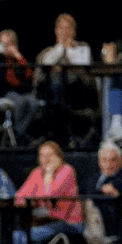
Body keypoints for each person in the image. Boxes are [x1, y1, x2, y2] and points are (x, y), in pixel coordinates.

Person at [12, 141, 83, 244]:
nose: (45, 159)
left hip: (69, 223)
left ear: (59, 157)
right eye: (42, 155)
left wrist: (49, 174)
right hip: (45, 222)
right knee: (17, 236)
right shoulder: (37, 172)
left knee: (27, 238)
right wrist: (29, 201)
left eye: (49, 155)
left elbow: (50, 194)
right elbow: (19, 197)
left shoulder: (67, 170)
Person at [35, 13, 96, 145]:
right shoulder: (46, 52)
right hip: (51, 96)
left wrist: (72, 53)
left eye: (69, 28)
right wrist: (60, 50)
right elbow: (38, 79)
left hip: (79, 95)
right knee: (56, 81)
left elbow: (89, 79)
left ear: (74, 32)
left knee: (64, 80)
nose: (65, 32)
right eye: (61, 28)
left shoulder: (83, 49)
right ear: (56, 31)